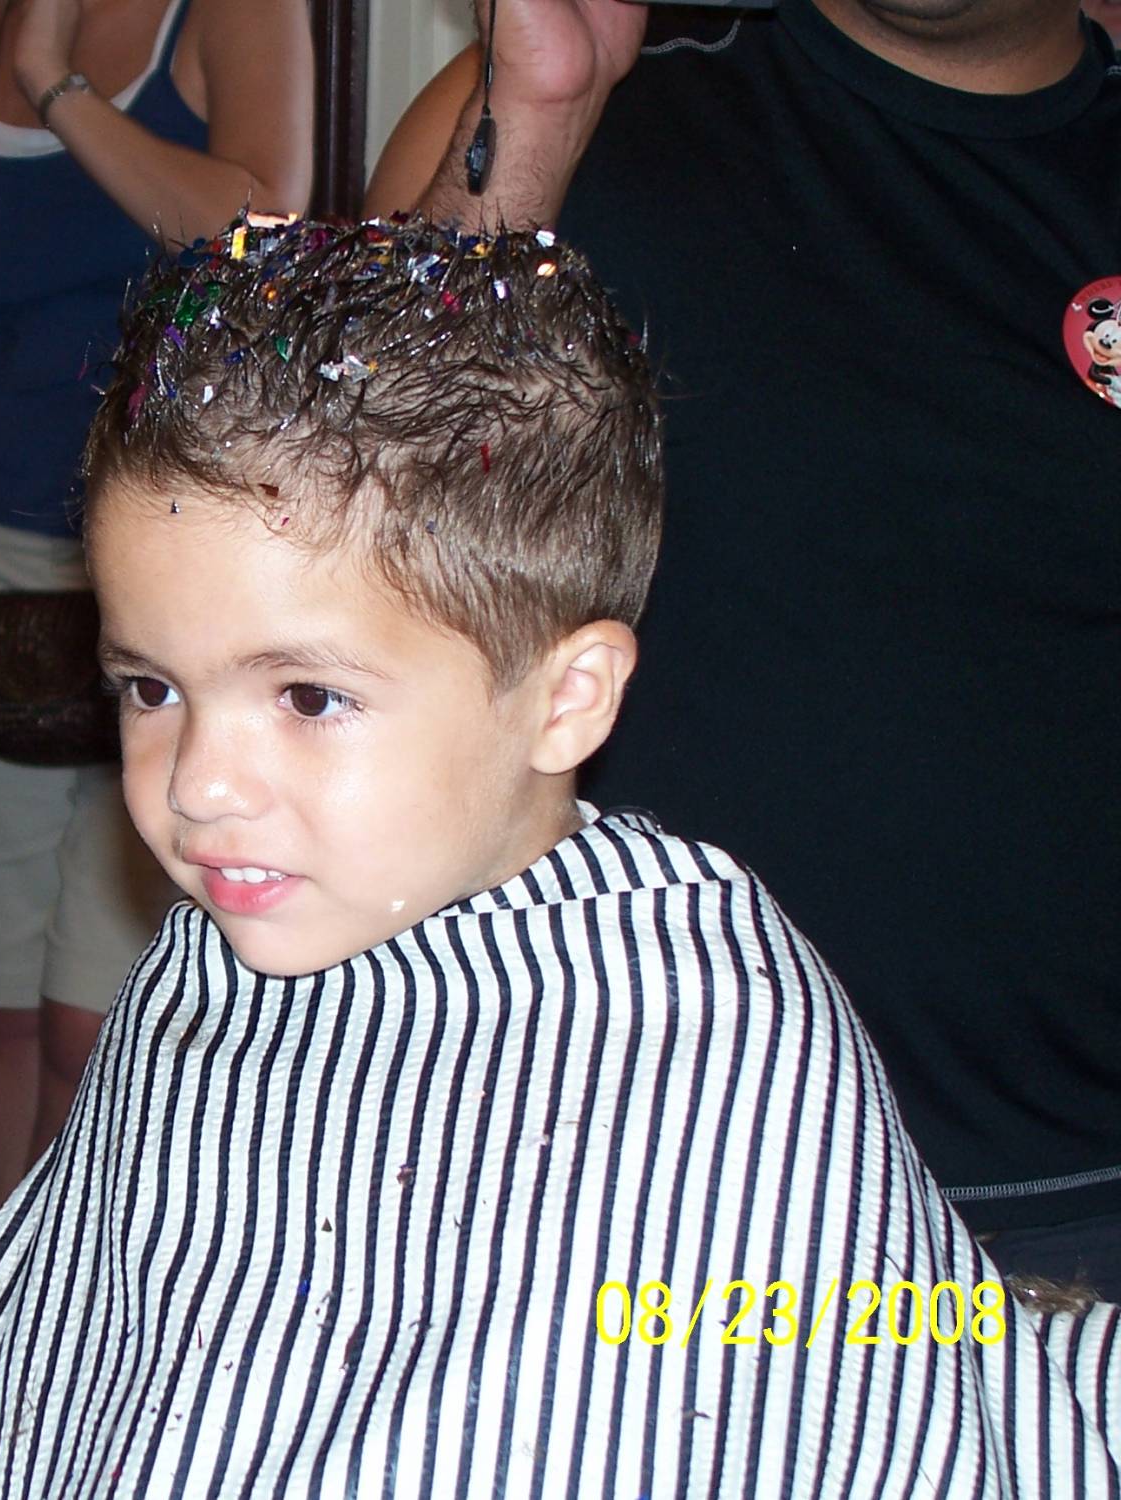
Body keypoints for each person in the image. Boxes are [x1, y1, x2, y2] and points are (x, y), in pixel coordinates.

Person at [0, 216, 1121, 1498]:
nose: (197, 784)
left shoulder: (703, 1043)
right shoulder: (210, 966)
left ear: (566, 699)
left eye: (306, 698)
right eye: (149, 688)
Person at [375, 0, 1121, 1295]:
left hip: (1092, 1210)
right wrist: (537, 121)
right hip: (668, 1180)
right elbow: (342, 559)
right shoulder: (597, 101)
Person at [0, 0, 312, 1212]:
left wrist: (55, 88)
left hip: (176, 582)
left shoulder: (231, 15)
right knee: (1, 1013)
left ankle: (87, 1351)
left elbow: (258, 232)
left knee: (92, 1031)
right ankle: (4, 1361)